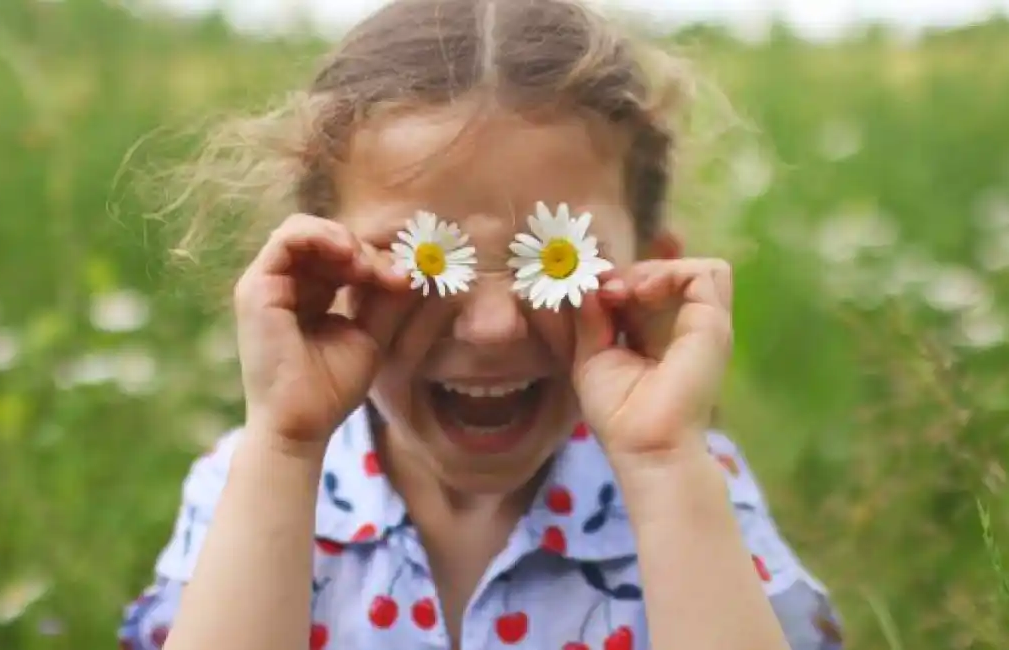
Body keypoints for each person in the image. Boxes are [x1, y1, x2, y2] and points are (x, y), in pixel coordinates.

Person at [118, 0, 844, 648]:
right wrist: (285, 445)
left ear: (650, 277)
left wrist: (661, 462)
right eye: (420, 258)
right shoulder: (251, 484)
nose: (493, 327)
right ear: (322, 270)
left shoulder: (693, 488)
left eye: (560, 258)